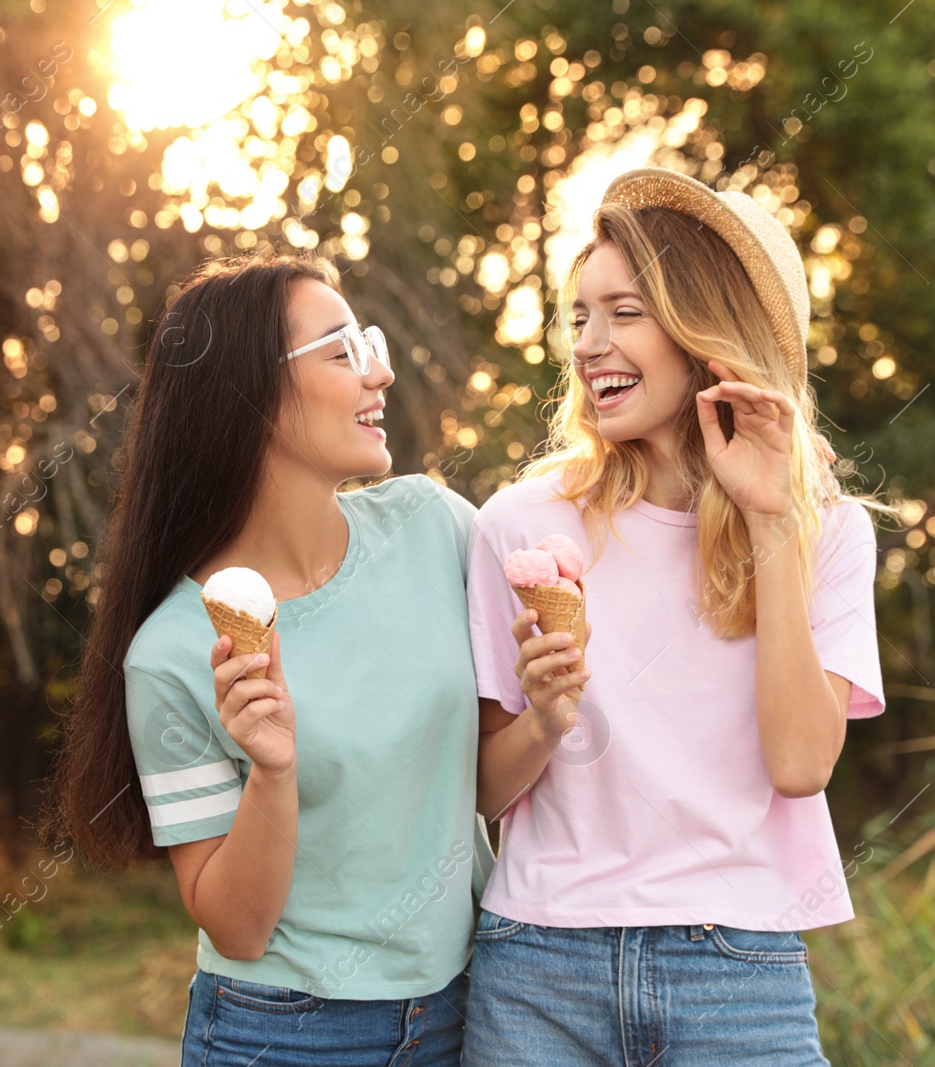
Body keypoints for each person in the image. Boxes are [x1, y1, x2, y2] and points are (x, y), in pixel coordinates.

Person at [463, 167, 888, 1065]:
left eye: (624, 311)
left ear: (706, 337)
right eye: (579, 316)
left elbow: (803, 764)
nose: (588, 344)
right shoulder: (519, 524)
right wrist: (546, 718)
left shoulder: (830, 533)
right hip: (540, 964)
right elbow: (483, 793)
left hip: (738, 967)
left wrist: (770, 519)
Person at [45, 253, 490, 1066]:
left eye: (371, 343)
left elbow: (492, 771)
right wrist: (272, 771)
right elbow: (238, 925)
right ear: (253, 394)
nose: (380, 372)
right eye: (343, 351)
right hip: (283, 1032)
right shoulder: (174, 652)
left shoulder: (438, 529)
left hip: (473, 1011)